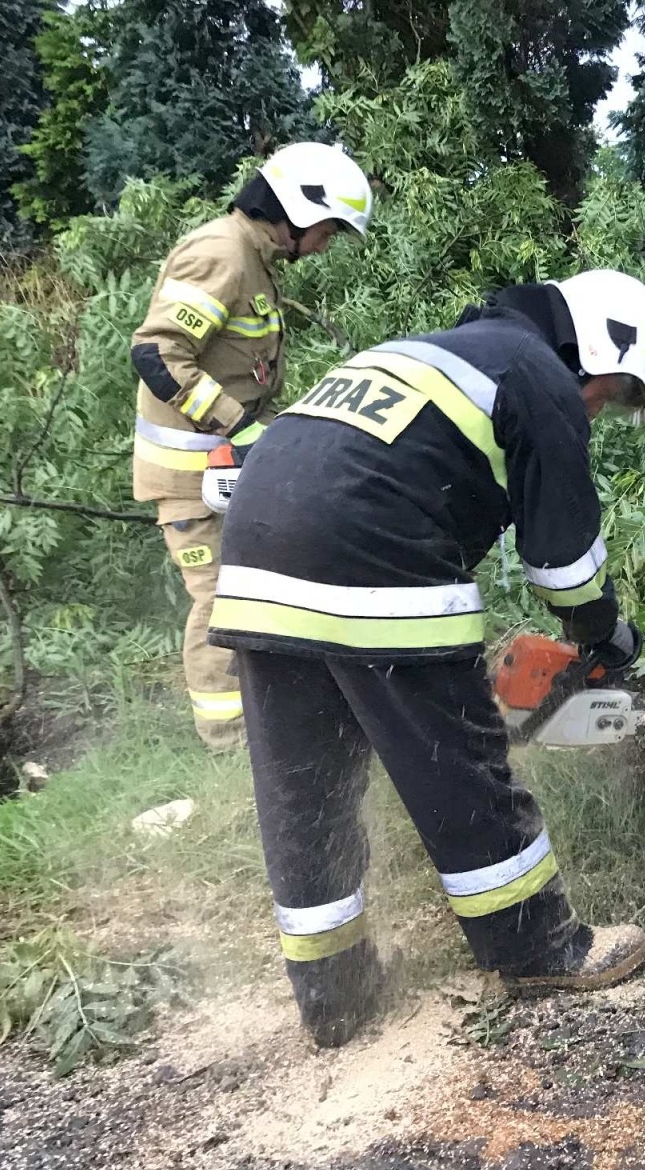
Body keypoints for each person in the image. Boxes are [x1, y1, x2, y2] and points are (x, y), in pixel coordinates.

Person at [203, 269, 645, 1047]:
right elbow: (564, 563)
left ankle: (334, 993)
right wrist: (605, 636)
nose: (603, 410)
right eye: (617, 393)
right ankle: (538, 947)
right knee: (454, 758)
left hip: (254, 556)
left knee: (305, 789)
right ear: (596, 347)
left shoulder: (431, 353)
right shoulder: (538, 376)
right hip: (367, 553)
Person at [129, 142, 372, 751]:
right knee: (217, 601)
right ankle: (226, 742)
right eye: (328, 230)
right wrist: (238, 426)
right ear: (296, 211)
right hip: (191, 476)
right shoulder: (221, 254)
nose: (325, 246)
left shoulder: (254, 262)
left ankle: (270, 718)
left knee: (256, 592)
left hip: (225, 467)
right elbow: (156, 353)